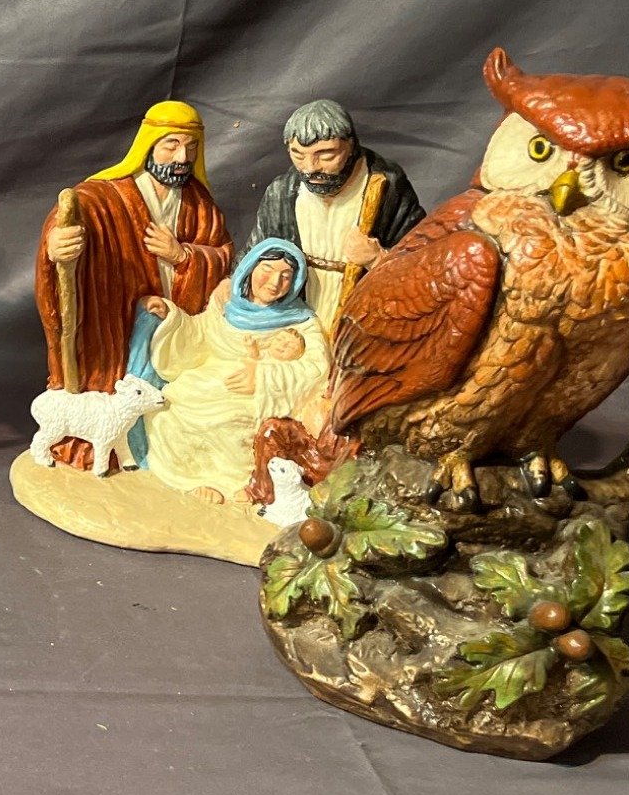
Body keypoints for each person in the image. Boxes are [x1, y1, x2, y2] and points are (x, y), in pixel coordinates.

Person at [33, 100, 234, 471]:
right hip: (119, 323)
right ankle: (113, 444)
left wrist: (183, 256)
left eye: (191, 147)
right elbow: (74, 214)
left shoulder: (200, 203)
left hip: (177, 324)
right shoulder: (106, 196)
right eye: (172, 145)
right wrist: (55, 244)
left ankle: (160, 449)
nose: (182, 158)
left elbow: (222, 255)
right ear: (149, 144)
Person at [130, 239, 328, 502]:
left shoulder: (302, 321)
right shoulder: (227, 304)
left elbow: (316, 367)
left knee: (230, 420)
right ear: (250, 268)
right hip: (211, 376)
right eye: (267, 270)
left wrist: (262, 378)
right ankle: (192, 478)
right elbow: (201, 333)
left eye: (286, 276)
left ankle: (234, 482)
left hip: (257, 393)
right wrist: (170, 316)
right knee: (177, 400)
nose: (274, 282)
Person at [245, 99, 425, 326]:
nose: (310, 168)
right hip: (294, 315)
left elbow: (422, 262)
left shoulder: (388, 187)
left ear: (351, 146)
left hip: (365, 316)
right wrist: (233, 284)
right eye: (298, 155)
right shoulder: (282, 192)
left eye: (326, 155)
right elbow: (255, 253)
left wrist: (377, 259)